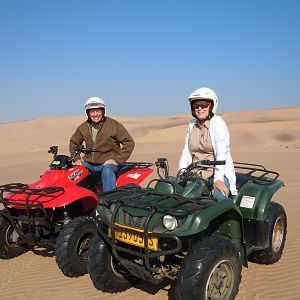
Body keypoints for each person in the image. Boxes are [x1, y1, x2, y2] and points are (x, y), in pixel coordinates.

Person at [178, 87, 237, 201]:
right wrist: (181, 171)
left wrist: (218, 180)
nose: (199, 108)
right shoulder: (192, 124)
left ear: (211, 106)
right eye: (196, 106)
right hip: (196, 174)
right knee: (175, 194)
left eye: (203, 105)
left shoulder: (218, 123)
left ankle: (234, 218)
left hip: (216, 173)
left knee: (219, 198)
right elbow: (186, 151)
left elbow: (221, 153)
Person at [69, 96, 135, 192]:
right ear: (87, 113)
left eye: (98, 111)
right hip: (89, 163)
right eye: (92, 111)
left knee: (107, 171)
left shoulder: (114, 125)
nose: (95, 114)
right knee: (73, 172)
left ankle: (109, 202)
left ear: (103, 111)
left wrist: (117, 160)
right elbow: (74, 143)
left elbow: (129, 143)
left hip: (107, 163)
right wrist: (77, 159)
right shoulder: (83, 127)